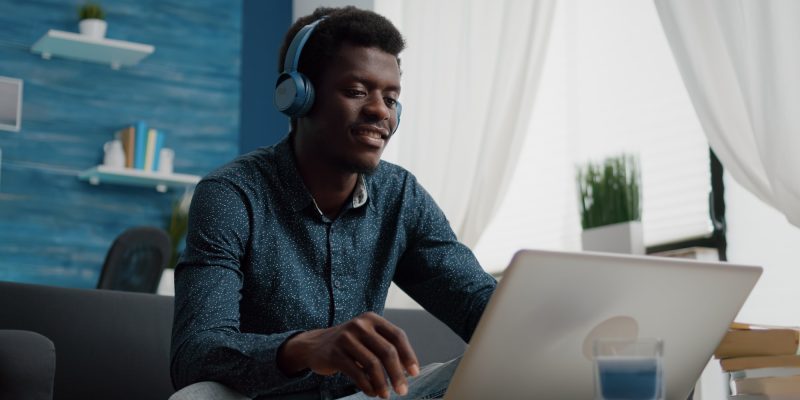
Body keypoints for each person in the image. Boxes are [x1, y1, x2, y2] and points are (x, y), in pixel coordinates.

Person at [170, 6, 496, 400]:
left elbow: (478, 304)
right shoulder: (232, 194)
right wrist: (305, 347)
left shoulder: (401, 196)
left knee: (478, 372)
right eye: (357, 91)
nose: (380, 111)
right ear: (298, 96)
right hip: (259, 397)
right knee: (197, 398)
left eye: (391, 98)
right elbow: (195, 353)